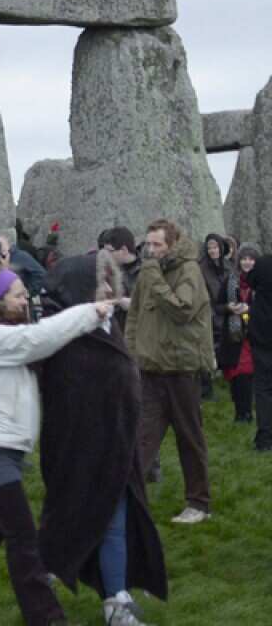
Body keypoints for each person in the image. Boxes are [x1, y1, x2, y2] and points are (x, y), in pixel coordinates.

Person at [0, 265, 113, 626]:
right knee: (22, 536)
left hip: (2, 449)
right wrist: (89, 312)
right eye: (17, 293)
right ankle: (46, 617)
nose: (25, 298)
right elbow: (40, 339)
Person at [37, 252, 167, 626]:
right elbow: (69, 396)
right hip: (79, 447)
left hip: (116, 443)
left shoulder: (108, 326)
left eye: (112, 282)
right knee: (74, 516)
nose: (109, 290)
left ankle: (115, 598)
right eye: (101, 283)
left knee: (114, 518)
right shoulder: (67, 337)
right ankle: (45, 578)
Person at [125, 220, 214, 523]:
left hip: (181, 370)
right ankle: (127, 504)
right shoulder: (149, 273)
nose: (150, 250)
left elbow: (181, 310)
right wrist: (131, 355)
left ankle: (199, 504)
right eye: (148, 244)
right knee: (141, 439)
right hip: (151, 369)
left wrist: (153, 277)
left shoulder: (189, 270)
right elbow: (135, 315)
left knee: (189, 438)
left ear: (172, 244)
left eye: (157, 245)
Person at [223, 244, 259, 423]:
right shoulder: (232, 281)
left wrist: (248, 310)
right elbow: (217, 304)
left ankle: (246, 414)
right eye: (244, 258)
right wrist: (229, 307)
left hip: (253, 334)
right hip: (233, 334)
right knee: (235, 375)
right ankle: (240, 412)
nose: (247, 262)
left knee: (245, 373)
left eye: (251, 258)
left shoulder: (262, 281)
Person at [199, 233, 236, 402]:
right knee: (207, 352)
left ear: (221, 248)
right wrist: (214, 315)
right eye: (209, 248)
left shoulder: (229, 266)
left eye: (215, 247)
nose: (212, 250)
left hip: (229, 313)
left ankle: (232, 380)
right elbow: (202, 297)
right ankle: (206, 390)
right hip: (210, 314)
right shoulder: (201, 268)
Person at [244, 247, 272, 451]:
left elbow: (250, 279)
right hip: (262, 337)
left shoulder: (262, 264)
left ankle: (264, 437)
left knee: (262, 388)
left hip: (261, 339)